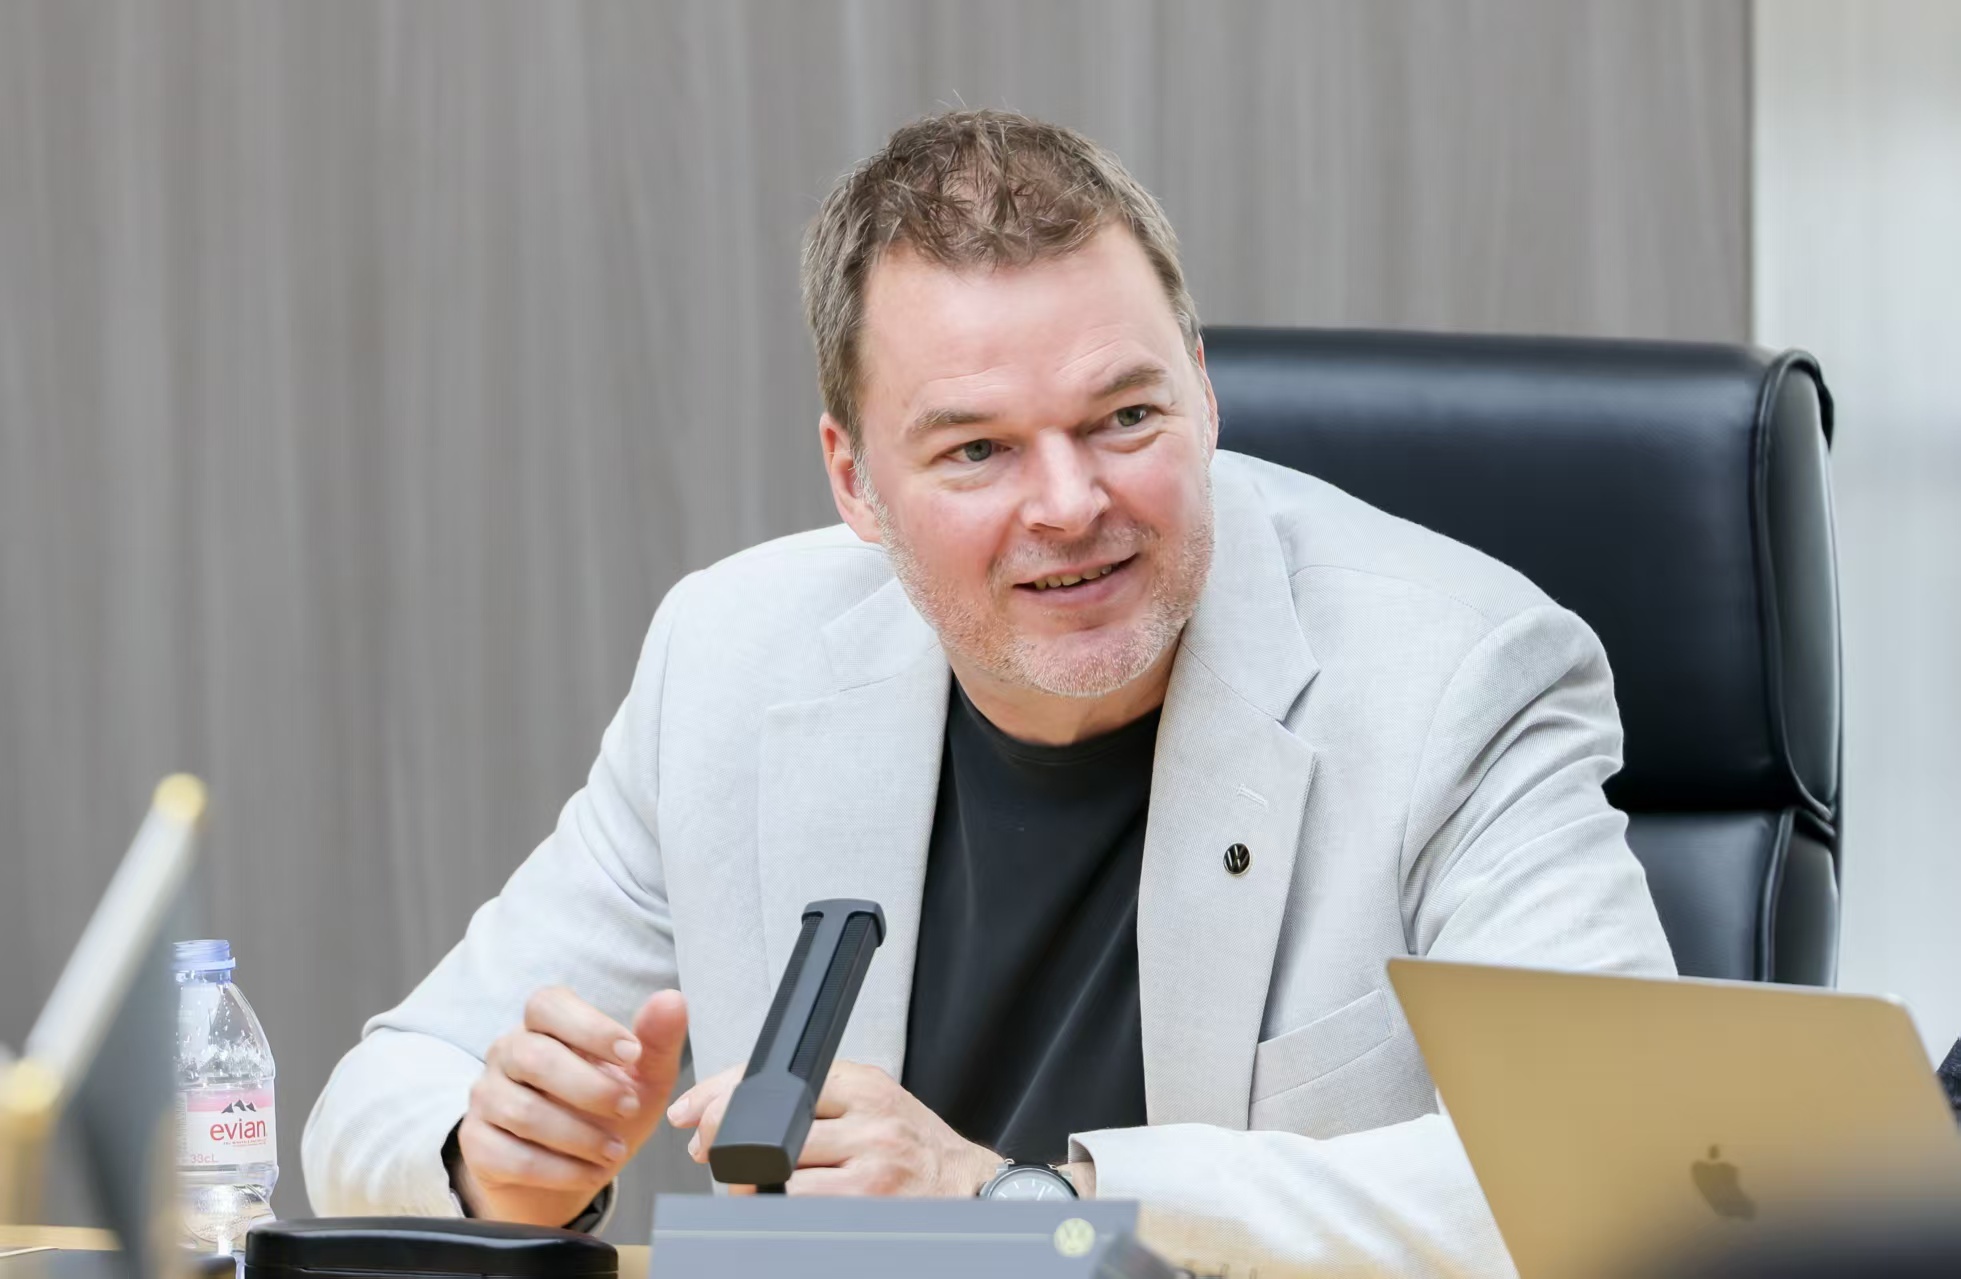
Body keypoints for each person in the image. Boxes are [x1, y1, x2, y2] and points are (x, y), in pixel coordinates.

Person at [302, 109, 1674, 1274]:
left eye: (1124, 417)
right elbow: (377, 1097)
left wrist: (1017, 1206)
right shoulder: (731, 658)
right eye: (976, 451)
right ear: (854, 481)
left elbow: (1613, 1181)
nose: (1070, 504)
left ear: (1201, 395)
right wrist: (490, 1160)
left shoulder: (1460, 676)